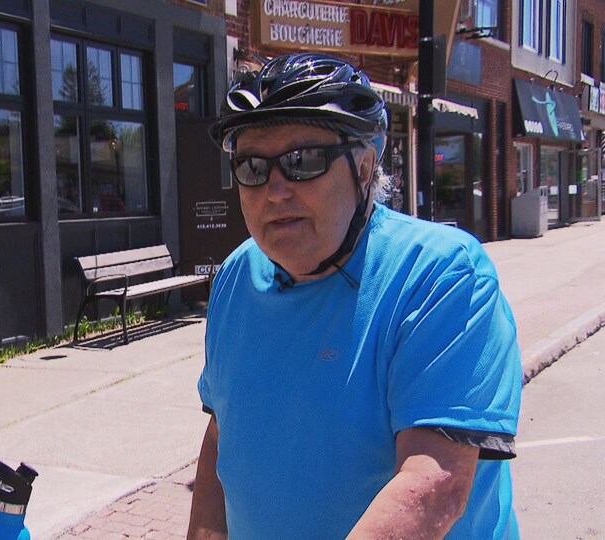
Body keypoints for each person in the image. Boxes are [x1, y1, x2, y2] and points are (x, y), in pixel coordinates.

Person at [187, 53, 522, 539]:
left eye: (302, 161)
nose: (275, 189)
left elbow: (434, 486)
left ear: (364, 167)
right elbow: (222, 435)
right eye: (253, 166)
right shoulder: (237, 276)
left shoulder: (441, 275)